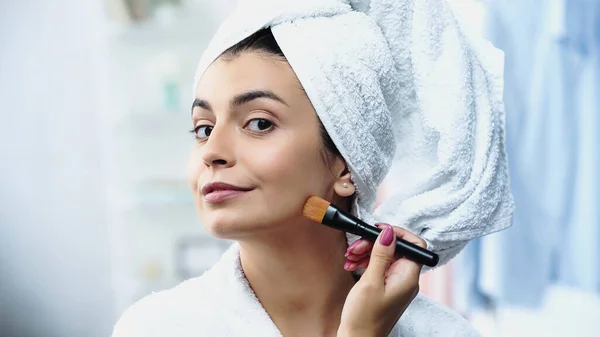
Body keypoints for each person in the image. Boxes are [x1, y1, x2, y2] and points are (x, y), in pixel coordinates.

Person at [112, 1, 513, 336]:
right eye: (203, 128)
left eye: (259, 123)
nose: (211, 151)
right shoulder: (156, 327)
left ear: (345, 164)